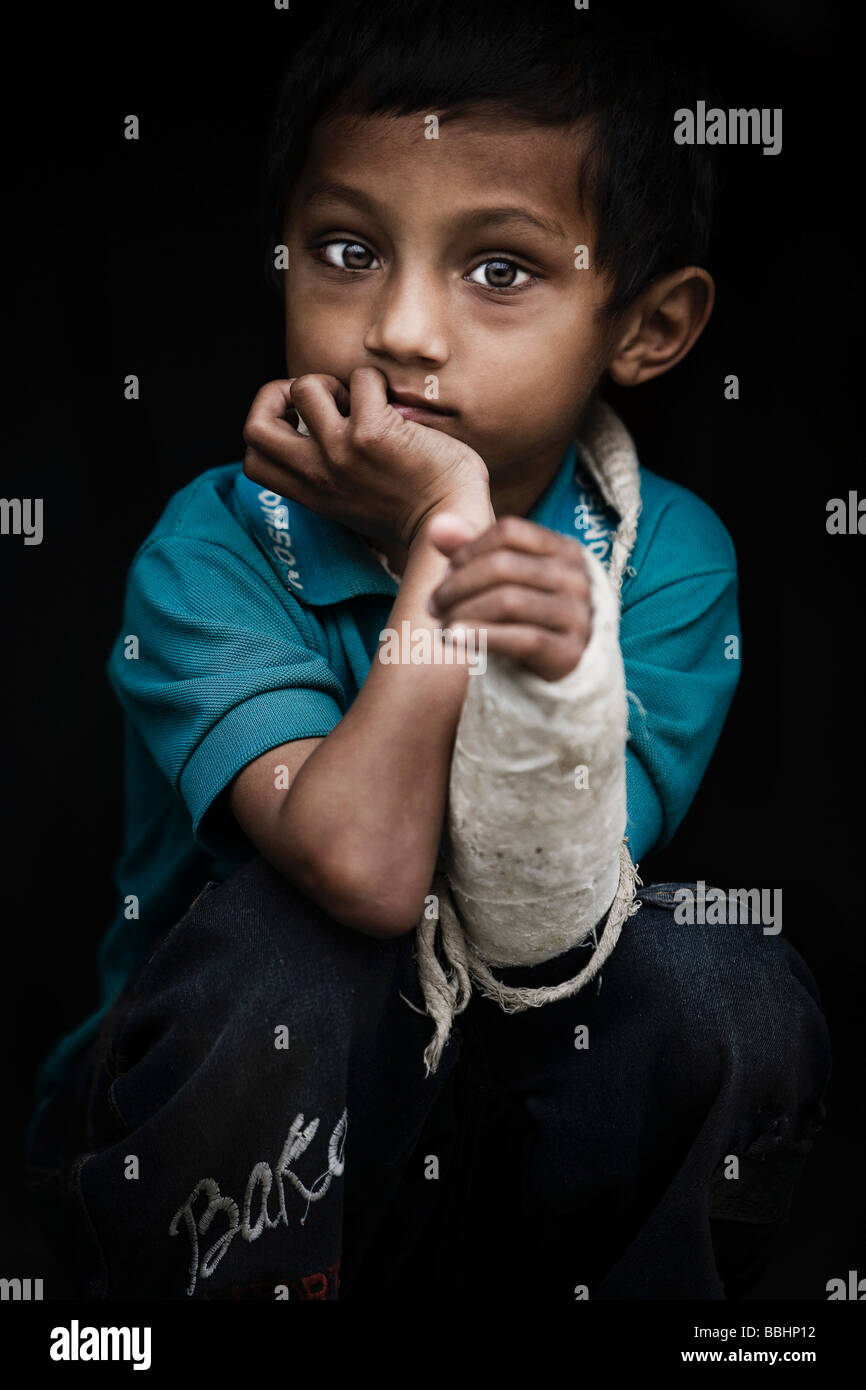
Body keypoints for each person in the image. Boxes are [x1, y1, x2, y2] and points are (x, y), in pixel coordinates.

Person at [22, 0, 831, 1300]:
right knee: (285, 942)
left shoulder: (663, 559)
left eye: (499, 269)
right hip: (236, 1127)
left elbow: (540, 916)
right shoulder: (214, 546)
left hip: (521, 1111)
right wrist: (448, 539)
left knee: (721, 981)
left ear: (649, 327)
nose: (399, 326)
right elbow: (363, 867)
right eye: (346, 248)